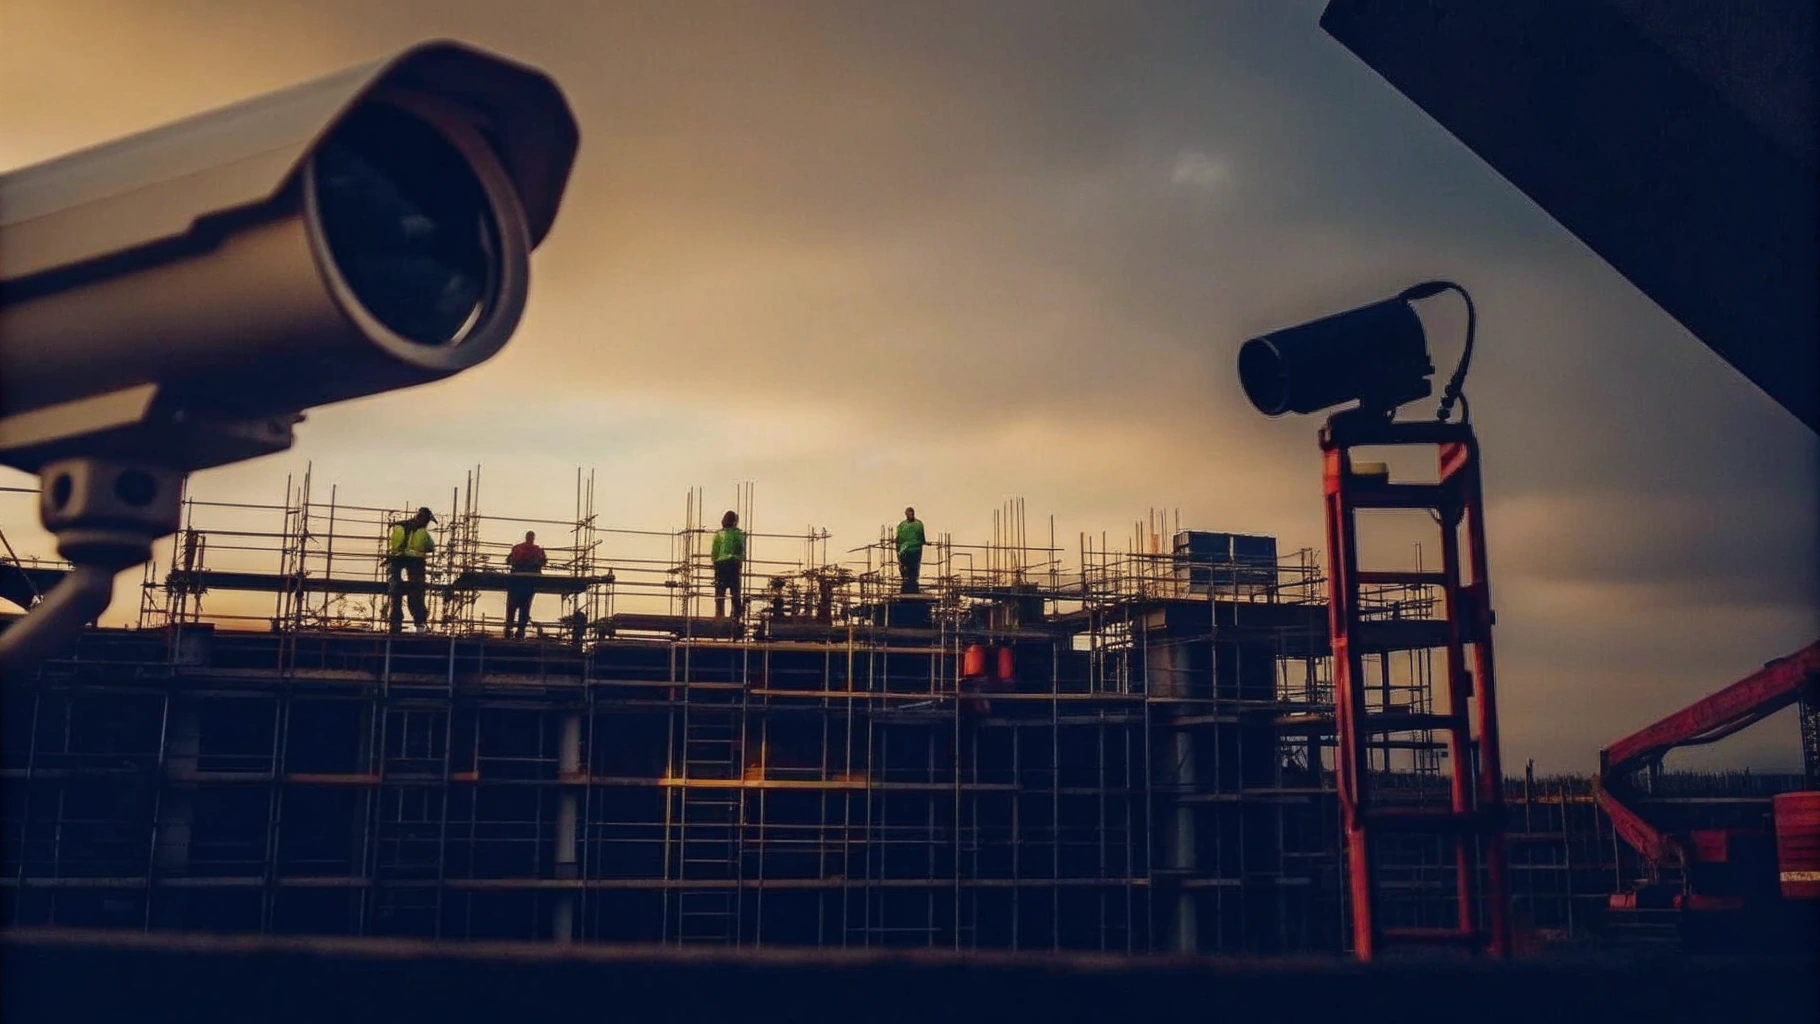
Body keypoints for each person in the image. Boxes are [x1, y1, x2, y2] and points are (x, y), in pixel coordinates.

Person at [386, 506, 436, 634]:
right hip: (415, 562)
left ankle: (395, 623)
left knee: (395, 591)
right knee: (417, 592)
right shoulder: (422, 532)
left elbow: (393, 544)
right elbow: (431, 547)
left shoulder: (398, 527)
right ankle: (419, 623)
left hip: (396, 559)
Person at [504, 530, 547, 640]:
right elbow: (543, 562)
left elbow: (508, 560)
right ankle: (517, 630)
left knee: (513, 606)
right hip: (528, 581)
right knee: (523, 607)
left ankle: (511, 629)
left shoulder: (520, 548)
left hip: (517, 580)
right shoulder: (536, 550)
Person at [711, 510, 745, 619]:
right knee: (735, 592)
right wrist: (740, 559)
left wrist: (715, 562)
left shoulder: (719, 534)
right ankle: (735, 615)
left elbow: (715, 550)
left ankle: (719, 615)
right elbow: (741, 548)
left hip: (720, 564)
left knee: (720, 592)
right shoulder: (739, 534)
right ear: (735, 522)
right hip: (734, 563)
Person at [896, 506, 926, 594]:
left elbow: (921, 539)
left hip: (915, 552)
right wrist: (899, 552)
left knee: (913, 572)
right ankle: (906, 586)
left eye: (912, 513)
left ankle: (912, 587)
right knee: (905, 572)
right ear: (906, 514)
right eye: (909, 513)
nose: (911, 515)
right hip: (904, 553)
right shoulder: (902, 526)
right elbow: (898, 541)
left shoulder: (918, 524)